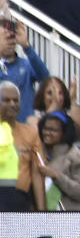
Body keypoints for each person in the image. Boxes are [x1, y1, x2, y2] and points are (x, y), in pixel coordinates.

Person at [0, 81, 43, 210]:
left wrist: (43, 213)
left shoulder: (31, 133)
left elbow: (37, 174)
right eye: (6, 100)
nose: (12, 104)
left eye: (16, 100)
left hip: (20, 202)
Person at [36, 111, 80, 210]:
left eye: (53, 130)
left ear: (65, 132)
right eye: (45, 128)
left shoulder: (76, 157)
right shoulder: (36, 152)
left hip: (67, 218)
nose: (47, 133)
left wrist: (56, 176)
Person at [0, 18, 49, 123]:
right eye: (6, 38)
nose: (11, 41)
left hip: (24, 129)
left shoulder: (26, 64)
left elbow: (46, 79)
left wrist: (26, 46)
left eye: (13, 37)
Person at [26, 76, 80, 143]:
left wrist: (73, 100)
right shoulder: (33, 120)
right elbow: (39, 134)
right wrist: (54, 106)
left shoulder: (69, 119)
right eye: (50, 93)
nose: (55, 96)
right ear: (42, 97)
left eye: (60, 93)